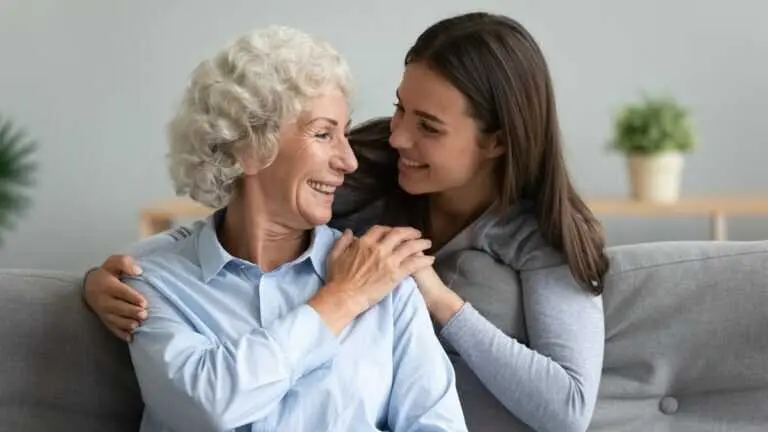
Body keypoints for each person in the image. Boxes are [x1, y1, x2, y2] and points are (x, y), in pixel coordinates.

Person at [84, 12, 608, 432]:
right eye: (401, 109)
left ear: (497, 142)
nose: (396, 137)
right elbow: (242, 196)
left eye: (427, 126)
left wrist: (435, 298)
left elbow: (564, 408)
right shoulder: (374, 162)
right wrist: (114, 275)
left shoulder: (528, 239)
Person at [112, 25, 468, 432]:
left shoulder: (385, 281)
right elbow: (207, 407)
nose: (349, 161)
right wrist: (341, 299)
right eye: (323, 134)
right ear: (247, 145)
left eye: (344, 133)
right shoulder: (152, 284)